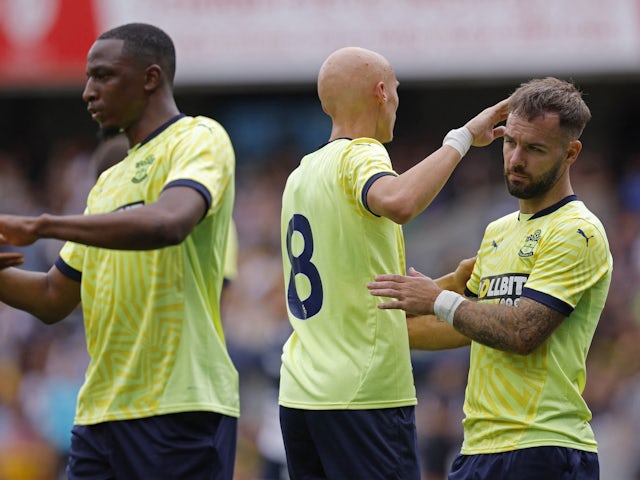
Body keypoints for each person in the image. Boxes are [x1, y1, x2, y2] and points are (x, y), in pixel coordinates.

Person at [0, 23, 239, 480]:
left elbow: (169, 222)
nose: (88, 92)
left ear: (150, 78)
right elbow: (54, 295)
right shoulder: (108, 182)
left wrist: (43, 224)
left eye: (103, 76)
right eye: (89, 79)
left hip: (178, 408)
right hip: (101, 413)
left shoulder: (198, 138)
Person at [278, 45, 509, 480]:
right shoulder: (360, 154)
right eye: (398, 90)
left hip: (301, 395)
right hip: (363, 397)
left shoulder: (301, 175)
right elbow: (400, 201)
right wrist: (461, 139)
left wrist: (443, 288)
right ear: (381, 92)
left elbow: (356, 298)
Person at [368, 77, 613, 479]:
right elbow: (464, 326)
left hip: (543, 447)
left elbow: (521, 333)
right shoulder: (499, 231)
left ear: (571, 152)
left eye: (534, 149)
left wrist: (437, 298)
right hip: (480, 448)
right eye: (509, 142)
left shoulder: (576, 231)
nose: (516, 159)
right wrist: (362, 327)